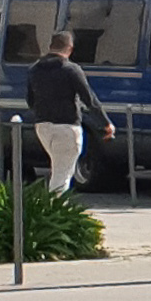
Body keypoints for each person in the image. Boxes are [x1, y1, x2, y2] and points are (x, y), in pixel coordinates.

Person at [26, 32, 114, 193]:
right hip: (66, 126)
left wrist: (42, 113)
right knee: (62, 175)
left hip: (43, 126)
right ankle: (53, 212)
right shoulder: (71, 70)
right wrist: (105, 123)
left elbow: (30, 100)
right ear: (70, 49)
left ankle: (53, 208)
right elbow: (90, 99)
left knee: (59, 167)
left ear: (50, 46)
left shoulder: (34, 69)